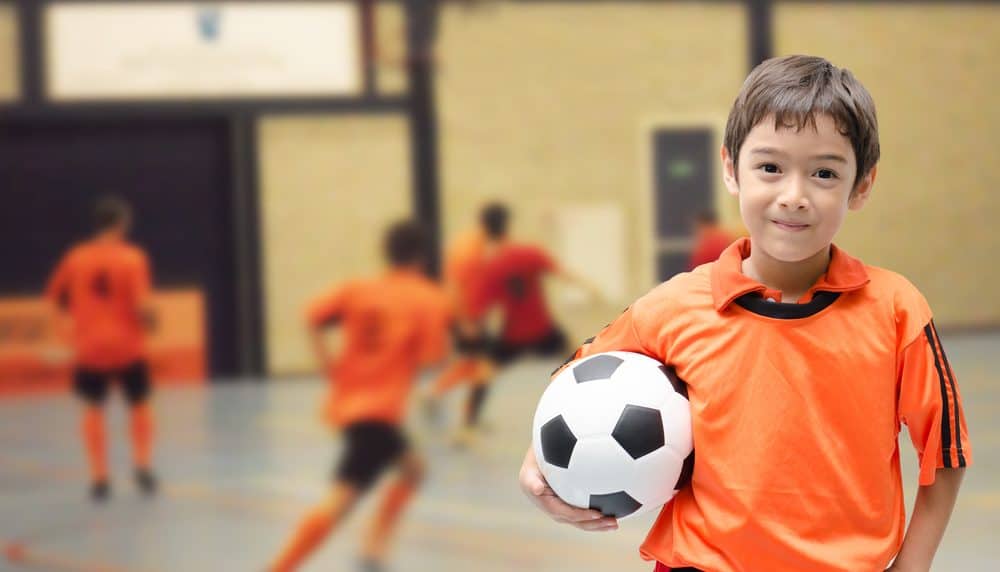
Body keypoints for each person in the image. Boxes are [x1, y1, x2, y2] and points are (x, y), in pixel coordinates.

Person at [518, 55, 970, 572]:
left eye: (824, 172)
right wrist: (539, 463)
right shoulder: (673, 307)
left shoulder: (896, 309)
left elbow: (946, 452)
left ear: (862, 185)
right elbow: (576, 381)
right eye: (770, 168)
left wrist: (912, 566)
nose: (793, 196)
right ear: (732, 169)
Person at [269, 221, 450, 572]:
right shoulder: (428, 297)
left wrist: (329, 366)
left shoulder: (358, 289)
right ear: (422, 257)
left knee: (413, 470)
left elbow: (312, 316)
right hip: (378, 413)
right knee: (341, 501)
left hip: (347, 403)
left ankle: (374, 548)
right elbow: (433, 358)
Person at [456, 203, 601, 444]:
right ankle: (598, 410)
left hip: (513, 335)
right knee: (578, 363)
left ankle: (467, 427)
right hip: (542, 330)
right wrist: (590, 287)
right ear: (508, 224)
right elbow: (562, 273)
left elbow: (478, 312)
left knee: (484, 373)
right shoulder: (528, 253)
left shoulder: (490, 267)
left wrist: (470, 331)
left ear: (484, 229)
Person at [45, 197, 157, 502]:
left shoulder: (76, 257)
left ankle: (99, 477)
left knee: (93, 407)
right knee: (139, 402)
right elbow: (142, 305)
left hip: (89, 346)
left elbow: (54, 295)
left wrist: (66, 331)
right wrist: (151, 320)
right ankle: (142, 465)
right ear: (122, 223)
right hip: (128, 346)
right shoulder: (133, 258)